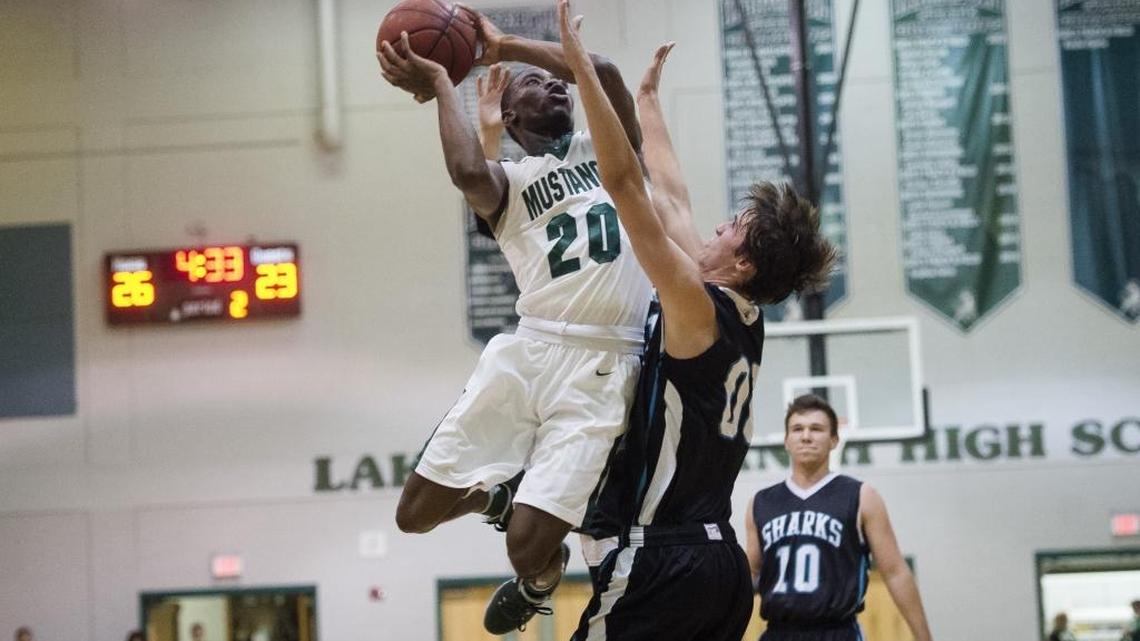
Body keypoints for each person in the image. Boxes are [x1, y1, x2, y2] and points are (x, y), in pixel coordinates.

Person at [554, 4, 837, 639]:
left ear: (741, 261)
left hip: (662, 558)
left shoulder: (695, 306)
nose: (714, 225)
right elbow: (673, 195)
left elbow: (627, 186)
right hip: (719, 567)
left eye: (730, 226)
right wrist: (649, 102)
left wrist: (583, 72)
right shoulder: (740, 315)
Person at [376, 8, 653, 634]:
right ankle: (494, 495)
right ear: (512, 117)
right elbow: (468, 169)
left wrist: (501, 47)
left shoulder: (612, 155)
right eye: (532, 85)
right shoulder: (508, 183)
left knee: (526, 547)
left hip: (605, 364)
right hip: (531, 349)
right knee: (413, 514)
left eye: (555, 83)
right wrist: (447, 83)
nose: (551, 85)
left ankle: (539, 578)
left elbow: (601, 71)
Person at [745, 394, 934, 641]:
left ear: (834, 440)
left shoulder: (861, 496)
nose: (806, 436)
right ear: (786, 440)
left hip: (837, 631)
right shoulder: (761, 502)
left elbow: (895, 571)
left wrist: (924, 636)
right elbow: (750, 575)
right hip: (778, 631)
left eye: (817, 429)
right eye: (797, 429)